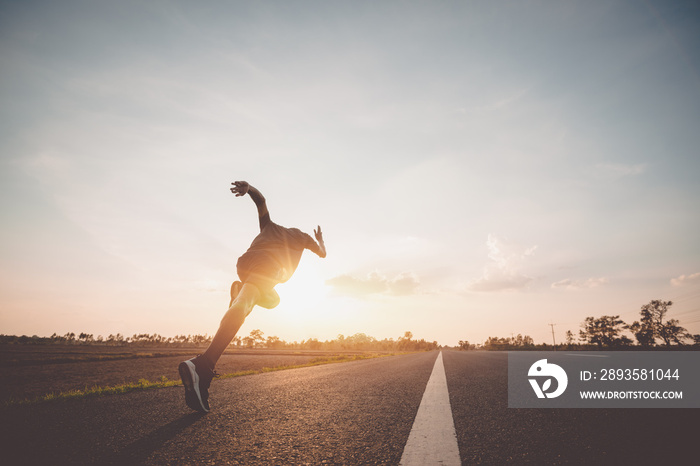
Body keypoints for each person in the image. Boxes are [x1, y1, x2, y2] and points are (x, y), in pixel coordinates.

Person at [178, 181, 326, 412]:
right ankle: (203, 365)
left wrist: (249, 189)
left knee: (273, 300)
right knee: (250, 303)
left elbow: (262, 202)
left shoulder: (270, 227)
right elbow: (323, 254)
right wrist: (320, 240)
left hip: (245, 264)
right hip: (267, 268)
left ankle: (239, 297)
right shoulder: (303, 237)